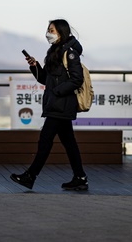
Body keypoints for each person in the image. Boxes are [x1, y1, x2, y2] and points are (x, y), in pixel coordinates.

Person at [10, 19, 88, 191]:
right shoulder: (55, 51)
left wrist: (58, 91)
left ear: (61, 32)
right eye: (48, 29)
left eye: (52, 30)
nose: (48, 33)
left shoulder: (70, 53)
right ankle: (80, 177)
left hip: (62, 104)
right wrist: (34, 66)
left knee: (45, 140)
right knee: (69, 142)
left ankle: (30, 176)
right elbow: (45, 79)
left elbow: (77, 79)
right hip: (56, 104)